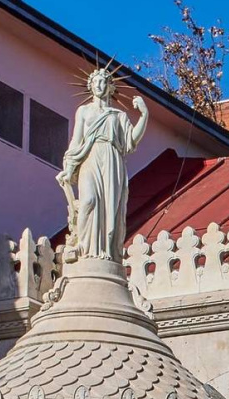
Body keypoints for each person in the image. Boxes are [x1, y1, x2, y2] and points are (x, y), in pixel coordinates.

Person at [56, 67, 148, 262]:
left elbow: (131, 141)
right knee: (88, 201)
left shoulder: (118, 115)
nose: (99, 85)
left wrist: (144, 115)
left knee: (109, 208)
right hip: (89, 157)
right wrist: (69, 167)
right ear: (90, 86)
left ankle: (105, 249)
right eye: (96, 82)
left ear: (110, 87)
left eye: (103, 82)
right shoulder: (84, 111)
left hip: (112, 158)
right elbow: (77, 140)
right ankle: (84, 247)